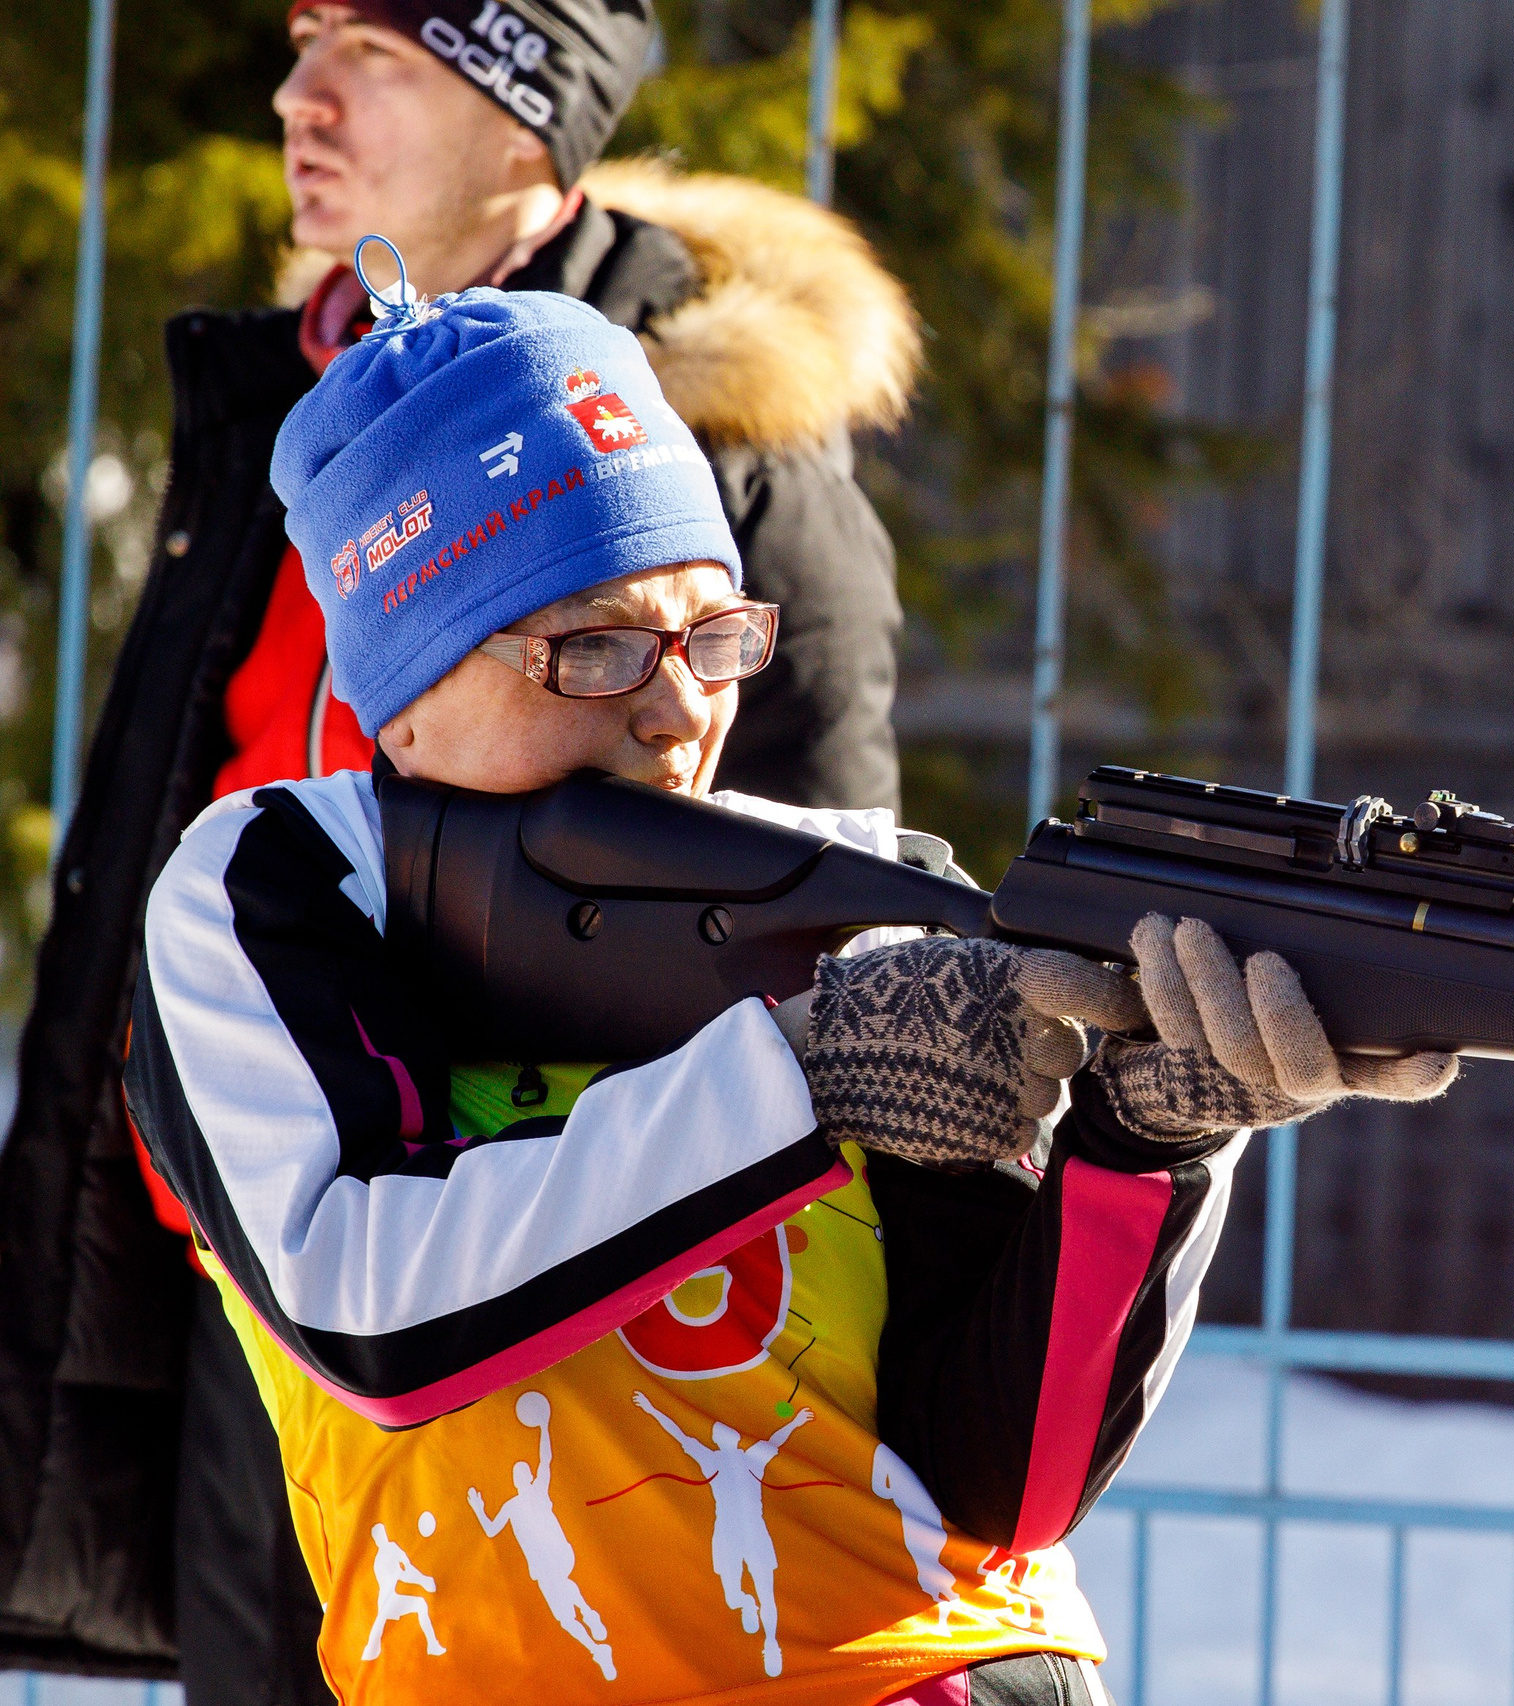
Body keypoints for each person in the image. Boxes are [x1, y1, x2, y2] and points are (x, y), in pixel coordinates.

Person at [122, 280, 1455, 1702]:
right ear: (400, 694)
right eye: (595, 646)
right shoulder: (275, 893)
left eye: (711, 637)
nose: (679, 709)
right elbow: (368, 1310)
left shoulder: (863, 901)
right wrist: (803, 1074)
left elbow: (1005, 1485)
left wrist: (1148, 1143)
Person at [0, 2, 917, 1691]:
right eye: (301, 40)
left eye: (376, 53)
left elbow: (807, 898)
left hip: (598, 1300)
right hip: (254, 1270)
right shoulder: (291, 409)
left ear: (523, 119)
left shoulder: (717, 446)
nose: (299, 96)